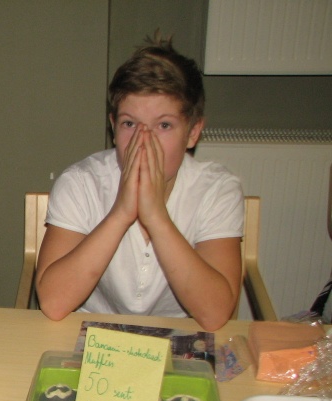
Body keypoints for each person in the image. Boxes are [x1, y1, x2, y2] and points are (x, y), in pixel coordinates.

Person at [35, 34, 243, 332]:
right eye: (129, 124)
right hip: (91, 330)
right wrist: (121, 213)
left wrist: (156, 216)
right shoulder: (80, 183)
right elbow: (53, 303)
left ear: (193, 132)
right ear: (113, 127)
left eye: (164, 125)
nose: (143, 141)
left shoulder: (218, 189)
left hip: (177, 334)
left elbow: (214, 314)